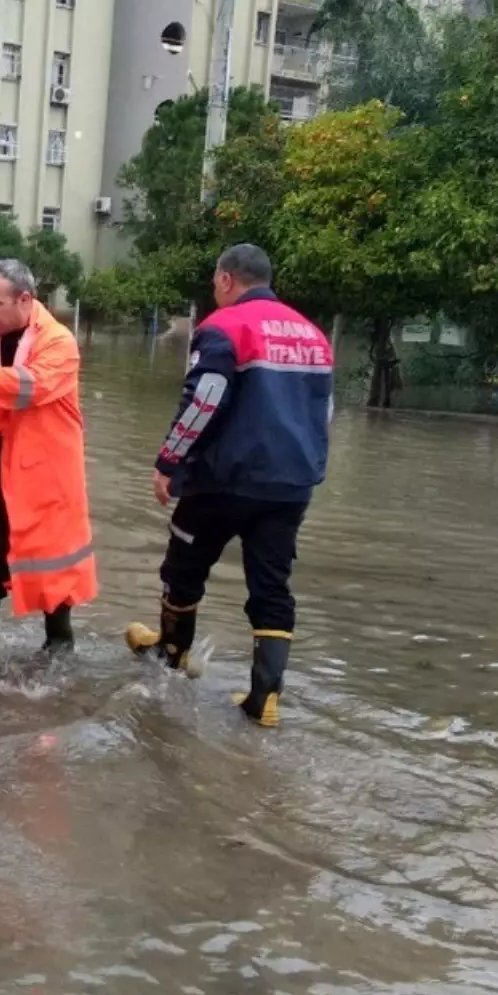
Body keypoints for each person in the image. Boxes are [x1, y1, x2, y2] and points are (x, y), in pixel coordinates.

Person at [126, 243, 334, 727]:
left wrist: (168, 461)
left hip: (223, 482)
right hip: (291, 484)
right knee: (271, 585)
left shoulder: (223, 327)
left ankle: (171, 655)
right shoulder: (312, 335)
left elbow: (206, 398)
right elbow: (323, 413)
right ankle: (265, 699)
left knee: (183, 568)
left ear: (225, 279)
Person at [0, 258, 97, 664]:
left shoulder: (58, 342)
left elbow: (32, 387)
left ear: (25, 299)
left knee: (53, 577)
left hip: (46, 483)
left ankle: (59, 656)